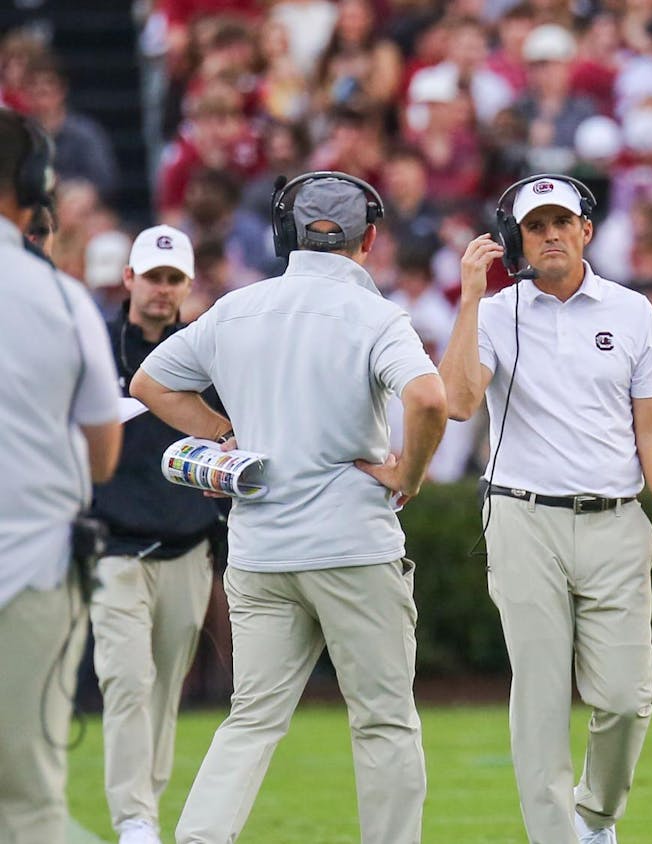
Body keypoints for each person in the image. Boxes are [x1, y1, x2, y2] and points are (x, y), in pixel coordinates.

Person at [131, 172, 448, 841]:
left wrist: (221, 433)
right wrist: (408, 472)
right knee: (385, 721)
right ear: (368, 241)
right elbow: (428, 398)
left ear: (286, 234)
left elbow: (149, 382)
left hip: (261, 551)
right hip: (352, 547)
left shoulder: (236, 309)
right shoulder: (375, 315)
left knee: (251, 720)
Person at [437, 174, 652, 844]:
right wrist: (470, 300)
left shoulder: (633, 310)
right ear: (514, 239)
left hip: (616, 518)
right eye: (535, 226)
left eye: (562, 222)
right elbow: (460, 401)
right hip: (522, 517)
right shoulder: (496, 313)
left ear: (586, 230)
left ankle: (595, 817)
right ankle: (557, 838)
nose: (550, 235)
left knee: (624, 699)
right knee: (542, 695)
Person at [0, 109, 122, 844]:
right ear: (29, 188)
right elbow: (103, 452)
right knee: (28, 803)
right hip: (33, 569)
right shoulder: (60, 297)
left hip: (36, 561)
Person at [89, 225, 221, 844]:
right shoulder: (93, 347)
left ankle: (146, 811)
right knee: (127, 680)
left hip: (186, 547)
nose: (162, 290)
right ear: (130, 279)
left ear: (187, 285)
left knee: (164, 689)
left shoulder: (205, 357)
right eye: (154, 277)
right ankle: (134, 821)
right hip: (113, 547)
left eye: (174, 279)